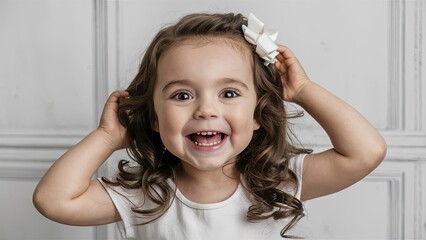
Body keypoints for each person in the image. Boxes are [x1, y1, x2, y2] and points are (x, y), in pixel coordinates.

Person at [33, 12, 387, 239]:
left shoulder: (277, 183)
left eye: (229, 93)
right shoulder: (145, 196)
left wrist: (304, 91)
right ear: (155, 118)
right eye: (182, 96)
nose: (205, 109)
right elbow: (53, 201)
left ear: (258, 114)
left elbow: (366, 152)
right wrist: (107, 137)